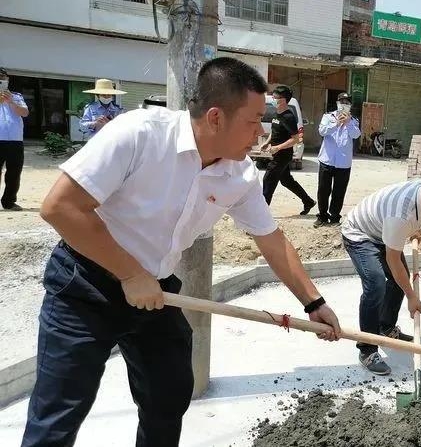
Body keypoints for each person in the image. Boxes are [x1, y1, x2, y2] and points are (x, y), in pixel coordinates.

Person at [21, 57, 341, 447]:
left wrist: (313, 301)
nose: (261, 133)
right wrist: (129, 274)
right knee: (58, 414)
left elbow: (271, 239)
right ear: (215, 117)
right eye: (253, 120)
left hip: (157, 293)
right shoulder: (139, 135)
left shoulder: (238, 174)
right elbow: (61, 207)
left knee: (168, 394)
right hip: (84, 285)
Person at [341, 169, 421, 375]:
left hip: (382, 229)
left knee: (398, 281)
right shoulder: (401, 215)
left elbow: (409, 220)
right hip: (359, 233)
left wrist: (413, 228)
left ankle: (385, 327)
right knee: (376, 284)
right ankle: (367, 349)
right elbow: (392, 259)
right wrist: (412, 297)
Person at [261, 85, 316, 214]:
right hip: (277, 153)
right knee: (286, 181)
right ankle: (308, 201)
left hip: (283, 155)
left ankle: (261, 216)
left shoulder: (288, 117)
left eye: (276, 98)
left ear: (284, 100)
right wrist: (267, 143)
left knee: (268, 180)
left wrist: (277, 147)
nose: (273, 99)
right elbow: (274, 132)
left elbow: (295, 139)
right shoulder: (277, 113)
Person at [314, 92, 361, 228]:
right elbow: (322, 131)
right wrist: (336, 123)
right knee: (323, 190)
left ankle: (335, 217)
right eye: (342, 102)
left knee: (339, 192)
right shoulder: (328, 117)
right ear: (337, 103)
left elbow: (356, 134)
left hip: (343, 163)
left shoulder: (354, 121)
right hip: (326, 160)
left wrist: (347, 123)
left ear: (350, 106)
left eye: (347, 103)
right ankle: (322, 216)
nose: (344, 105)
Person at [0, 67, 29, 211]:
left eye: (3, 78)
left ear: (8, 80)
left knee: (14, 172)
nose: (1, 80)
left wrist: (11, 102)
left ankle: (9, 201)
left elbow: (24, 113)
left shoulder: (17, 96)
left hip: (15, 141)